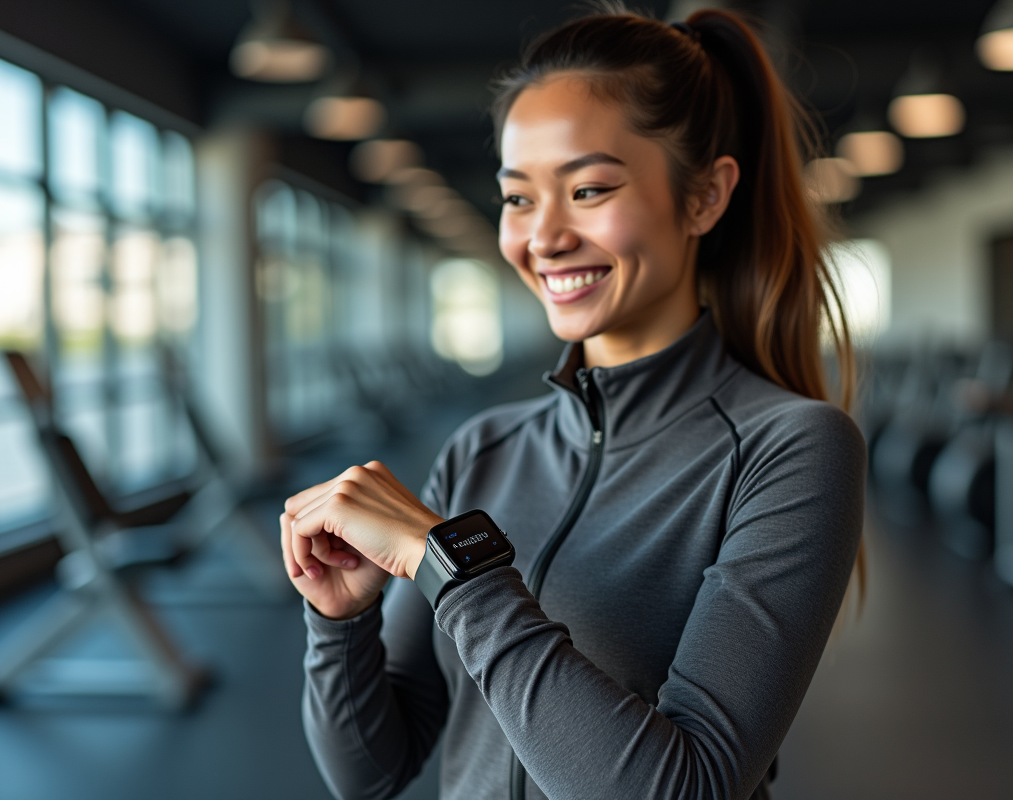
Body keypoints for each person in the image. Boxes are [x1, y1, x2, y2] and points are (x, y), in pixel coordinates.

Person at [280, 7, 866, 800]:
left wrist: (449, 568)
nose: (543, 236)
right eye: (518, 198)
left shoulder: (790, 448)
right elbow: (371, 772)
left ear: (704, 197)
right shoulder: (483, 449)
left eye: (588, 189)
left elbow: (682, 788)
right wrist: (341, 621)